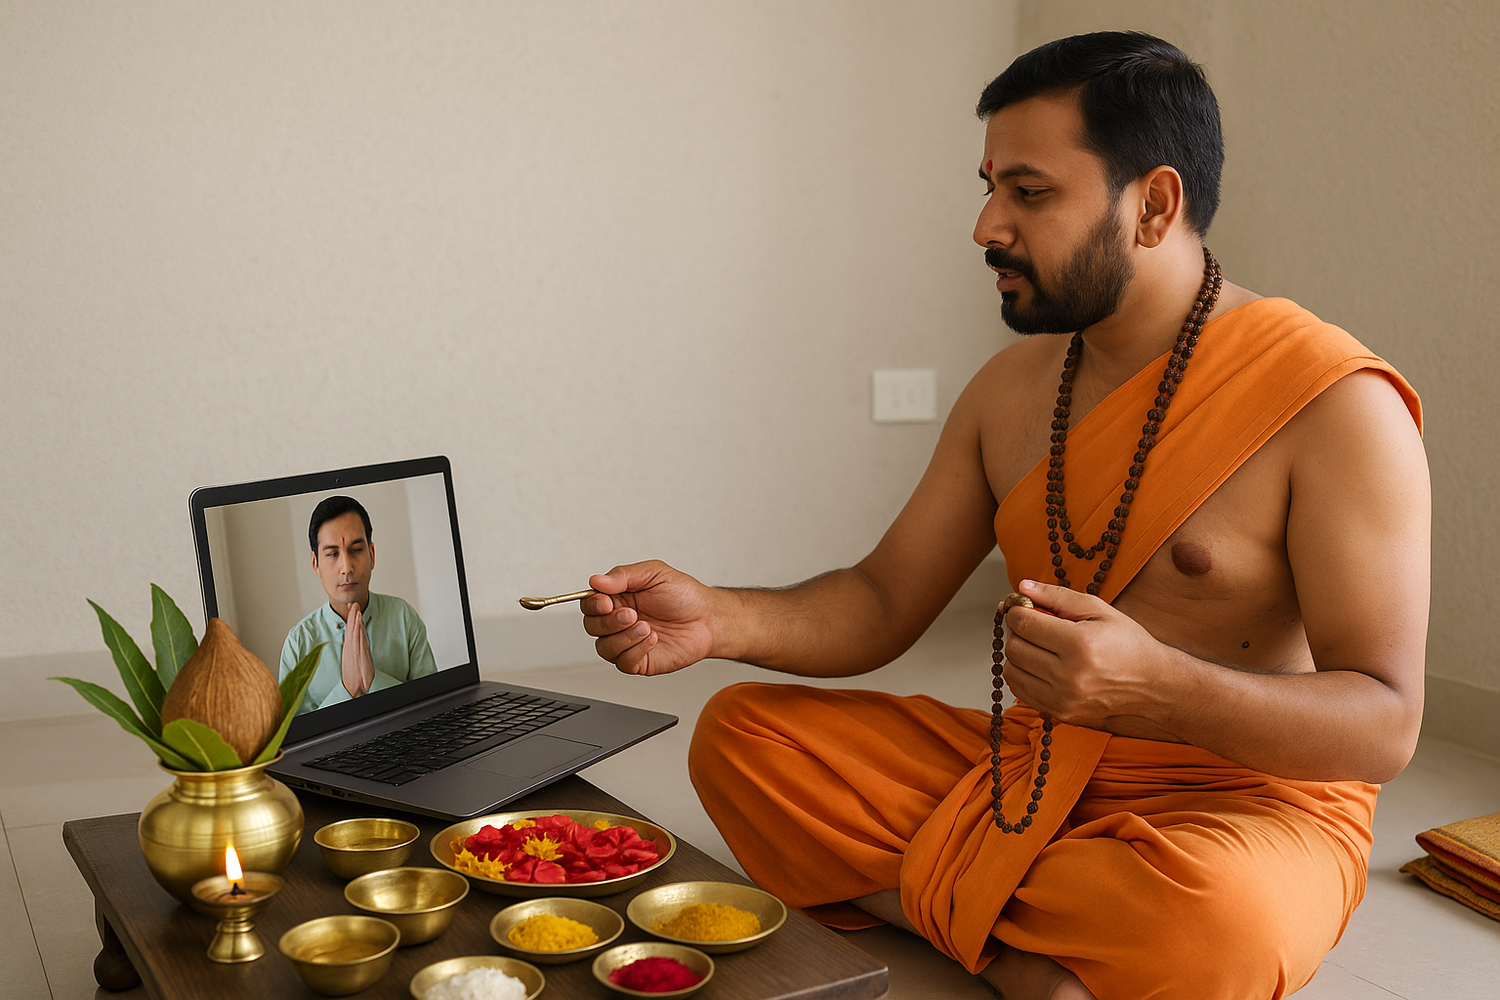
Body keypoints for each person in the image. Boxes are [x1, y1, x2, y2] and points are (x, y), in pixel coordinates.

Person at [580, 31, 1428, 1000]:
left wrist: (1160, 689)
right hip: (1034, 766)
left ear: (1153, 205)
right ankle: (1028, 952)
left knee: (1220, 918)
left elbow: (1384, 725)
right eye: (989, 188)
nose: (986, 225)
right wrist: (717, 618)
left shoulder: (1333, 404)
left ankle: (957, 899)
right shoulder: (1011, 389)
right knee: (741, 737)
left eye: (1029, 192)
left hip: (1238, 798)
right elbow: (882, 598)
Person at [280, 495, 438, 715]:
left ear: (371, 554)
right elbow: (295, 733)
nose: (346, 567)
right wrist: (346, 690)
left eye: (356, 550)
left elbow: (434, 709)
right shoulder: (298, 644)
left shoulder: (403, 618)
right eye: (332, 554)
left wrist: (374, 682)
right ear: (315, 564)